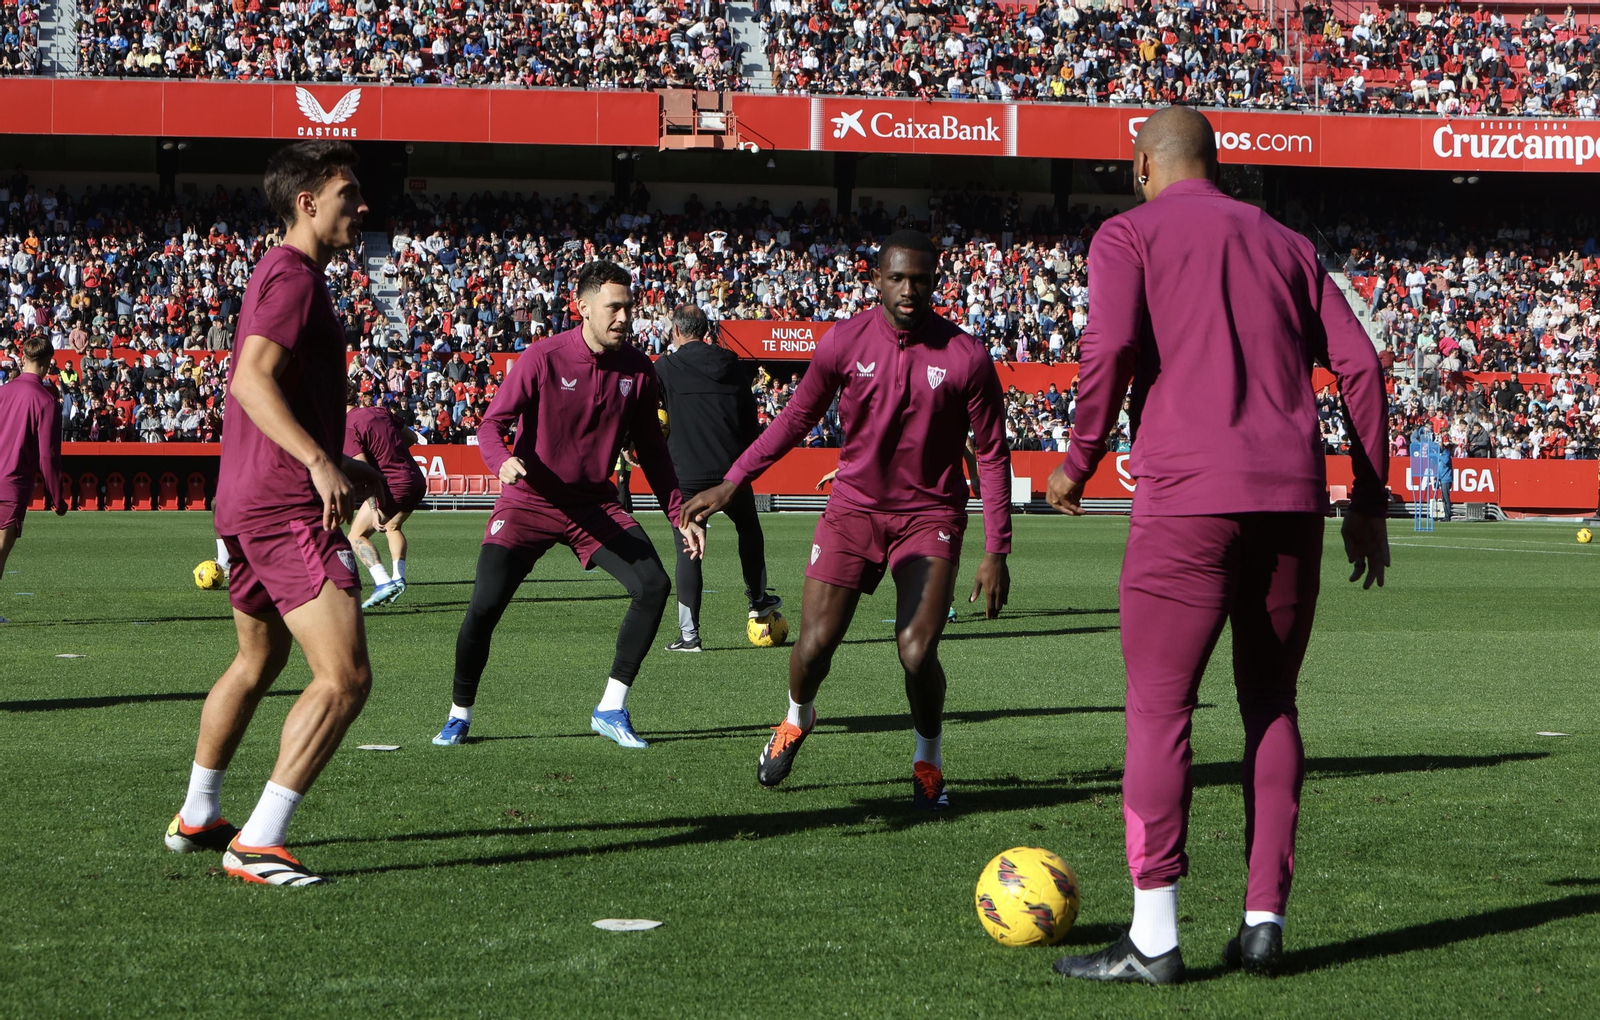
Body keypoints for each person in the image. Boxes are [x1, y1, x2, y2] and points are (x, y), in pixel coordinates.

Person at [1046, 108, 1390, 984]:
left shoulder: (1128, 233)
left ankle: (1155, 936)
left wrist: (1079, 458)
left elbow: (1114, 342)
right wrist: (1371, 496)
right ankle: (1264, 918)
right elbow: (1363, 366)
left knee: (1160, 709)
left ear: (1142, 166)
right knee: (1272, 703)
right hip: (1291, 499)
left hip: (1189, 499)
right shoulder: (1288, 242)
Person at [681, 230, 1012, 810]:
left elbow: (991, 452)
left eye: (920, 279)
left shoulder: (967, 356)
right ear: (877, 279)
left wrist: (996, 548)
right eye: (898, 278)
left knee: (915, 651)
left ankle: (928, 760)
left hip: (929, 517)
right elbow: (794, 418)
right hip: (852, 512)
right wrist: (735, 478)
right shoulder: (844, 341)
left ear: (936, 282)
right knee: (812, 648)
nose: (909, 290)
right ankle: (796, 718)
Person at [164, 140, 383, 887]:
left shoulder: (284, 273)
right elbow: (251, 382)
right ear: (308, 202)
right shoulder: (292, 277)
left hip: (249, 497)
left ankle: (199, 811)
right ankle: (259, 841)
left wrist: (337, 457)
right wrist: (319, 462)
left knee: (259, 661)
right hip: (283, 503)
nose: (362, 206)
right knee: (345, 677)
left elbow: (273, 392)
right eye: (349, 192)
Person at [432, 260, 705, 751]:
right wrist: (502, 462)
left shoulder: (640, 371)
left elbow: (654, 453)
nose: (624, 317)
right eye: (613, 307)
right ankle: (459, 713)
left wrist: (679, 514)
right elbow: (491, 426)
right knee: (485, 605)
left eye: (629, 307)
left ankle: (611, 707)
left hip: (594, 507)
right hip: (529, 502)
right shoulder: (542, 357)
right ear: (582, 307)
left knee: (654, 585)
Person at [654, 303, 781, 652]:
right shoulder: (731, 364)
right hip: (731, 473)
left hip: (686, 473)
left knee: (688, 550)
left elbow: (652, 417)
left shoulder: (665, 367)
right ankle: (757, 600)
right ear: (706, 331)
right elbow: (749, 422)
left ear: (676, 332)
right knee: (749, 531)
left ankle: (689, 636)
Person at [0, 336, 66, 622]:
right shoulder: (46, 400)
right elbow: (47, 458)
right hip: (11, 486)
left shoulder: (2, 392)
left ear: (22, 357)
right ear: (48, 363)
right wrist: (57, 496)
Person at [344, 386, 425, 608]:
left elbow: (363, 471)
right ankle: (398, 578)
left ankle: (382, 582)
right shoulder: (380, 411)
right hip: (416, 479)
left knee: (355, 536)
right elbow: (410, 438)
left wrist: (372, 509)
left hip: (393, 485)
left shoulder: (348, 426)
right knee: (392, 528)